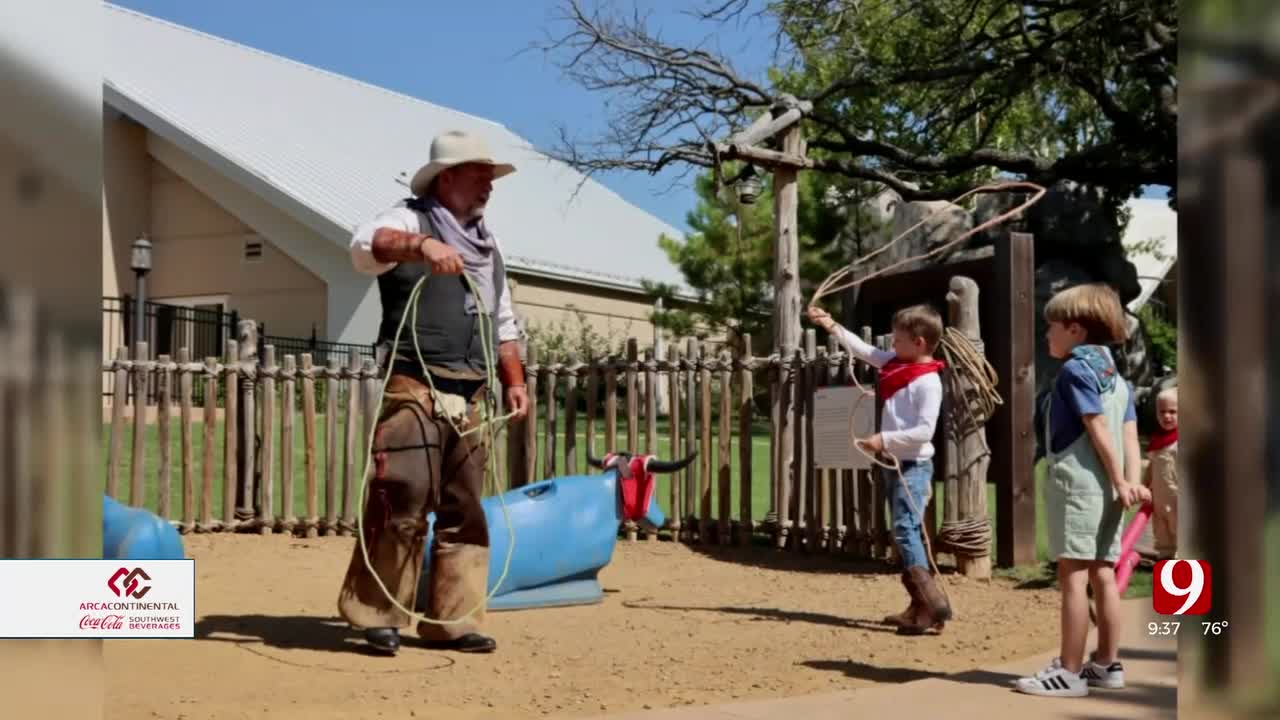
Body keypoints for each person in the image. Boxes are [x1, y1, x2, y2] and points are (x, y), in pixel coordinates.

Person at [337, 129, 529, 656]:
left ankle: (455, 620)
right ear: (448, 177)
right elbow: (362, 248)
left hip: (469, 393)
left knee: (465, 508)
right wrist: (422, 247)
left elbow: (504, 320)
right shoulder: (405, 219)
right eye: (479, 175)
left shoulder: (490, 246)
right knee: (402, 495)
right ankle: (378, 614)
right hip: (413, 384)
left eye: (491, 177)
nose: (489, 185)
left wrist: (514, 380)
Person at [1014, 283, 1151, 697]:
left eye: (1050, 327)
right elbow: (1128, 435)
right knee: (1103, 575)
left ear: (1074, 329)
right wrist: (1130, 481)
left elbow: (1096, 428)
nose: (1047, 335)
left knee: (1072, 577)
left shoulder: (1075, 370)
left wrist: (1117, 479)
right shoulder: (1118, 378)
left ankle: (1069, 671)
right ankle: (1107, 663)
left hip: (1079, 486)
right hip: (1110, 493)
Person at [807, 303, 952, 636]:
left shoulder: (927, 383)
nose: (891, 346)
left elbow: (924, 432)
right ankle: (921, 607)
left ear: (919, 343)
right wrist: (829, 324)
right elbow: (863, 349)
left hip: (912, 466)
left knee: (904, 530)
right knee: (906, 533)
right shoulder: (896, 364)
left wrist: (882, 438)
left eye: (898, 340)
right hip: (895, 465)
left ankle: (931, 604)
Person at [1144, 387, 1178, 559]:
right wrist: (1143, 486)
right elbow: (1152, 468)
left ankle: (1192, 585)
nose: (1166, 416)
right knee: (1164, 545)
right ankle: (1168, 584)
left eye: (1173, 411)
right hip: (1160, 505)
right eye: (1162, 412)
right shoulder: (1157, 442)